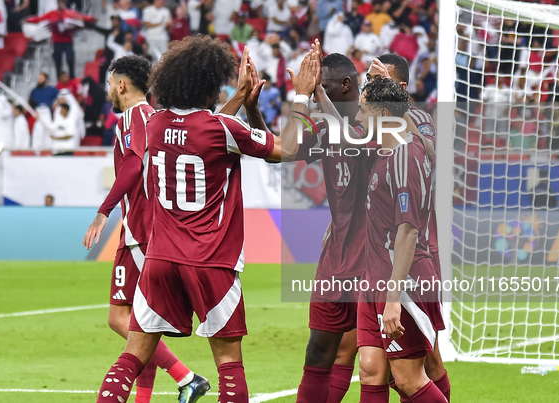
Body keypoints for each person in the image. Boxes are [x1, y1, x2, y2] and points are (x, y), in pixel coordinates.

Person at [90, 37, 314, 403]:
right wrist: (301, 96)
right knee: (228, 363)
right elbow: (286, 149)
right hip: (212, 261)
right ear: (210, 88)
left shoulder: (157, 124)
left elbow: (201, 126)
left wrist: (241, 99)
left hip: (160, 260)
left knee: (131, 355)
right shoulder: (221, 129)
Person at [83, 55, 210, 403]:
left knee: (121, 318)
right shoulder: (149, 117)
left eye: (110, 83)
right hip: (145, 231)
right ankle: (158, 392)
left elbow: (134, 164)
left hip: (142, 232)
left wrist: (102, 212)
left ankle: (186, 378)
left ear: (121, 85)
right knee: (141, 320)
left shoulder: (136, 115)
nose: (108, 89)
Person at [366, 54, 451, 402]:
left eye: (376, 79)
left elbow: (430, 152)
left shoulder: (415, 124)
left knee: (421, 366)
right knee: (375, 369)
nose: (369, 86)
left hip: (414, 253)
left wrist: (397, 112)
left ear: (397, 87)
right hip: (381, 261)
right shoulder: (377, 127)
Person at [289, 51, 372, 403]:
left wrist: (314, 96)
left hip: (375, 258)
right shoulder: (325, 127)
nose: (314, 93)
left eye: (322, 87)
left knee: (385, 367)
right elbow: (284, 149)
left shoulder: (379, 121)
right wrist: (252, 106)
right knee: (320, 353)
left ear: (345, 86)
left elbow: (354, 139)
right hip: (336, 257)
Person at [26, 0, 95, 79]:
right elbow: (40, 18)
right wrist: (28, 20)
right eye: (60, 2)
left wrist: (91, 18)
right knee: (58, 62)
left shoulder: (69, 13)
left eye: (63, 2)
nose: (62, 4)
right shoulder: (52, 13)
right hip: (57, 42)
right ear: (57, 3)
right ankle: (59, 79)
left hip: (68, 41)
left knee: (70, 60)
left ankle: (72, 78)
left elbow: (82, 17)